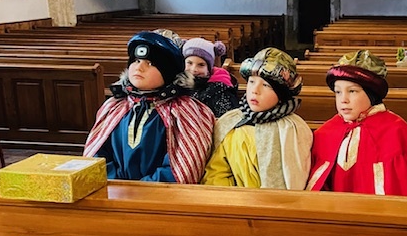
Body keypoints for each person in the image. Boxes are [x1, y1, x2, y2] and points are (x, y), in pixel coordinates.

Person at [84, 31, 215, 183]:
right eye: (136, 61)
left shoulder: (184, 110)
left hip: (160, 193)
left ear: (167, 73)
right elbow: (97, 154)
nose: (139, 68)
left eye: (150, 64)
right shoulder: (115, 106)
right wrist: (114, 183)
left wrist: (142, 189)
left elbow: (183, 166)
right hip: (113, 190)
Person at [306, 50, 407, 196]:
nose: (343, 99)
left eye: (352, 91)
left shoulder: (396, 131)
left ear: (372, 93)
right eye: (338, 92)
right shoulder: (325, 132)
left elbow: (405, 187)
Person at [202, 47, 312, 189]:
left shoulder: (293, 129)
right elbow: (216, 173)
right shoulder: (230, 123)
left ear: (281, 95)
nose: (255, 90)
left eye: (266, 85)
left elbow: (297, 179)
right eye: (252, 82)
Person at [181, 36, 240, 117]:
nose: (194, 69)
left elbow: (228, 119)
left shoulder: (219, 90)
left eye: (201, 65)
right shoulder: (177, 83)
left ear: (209, 68)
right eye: (189, 63)